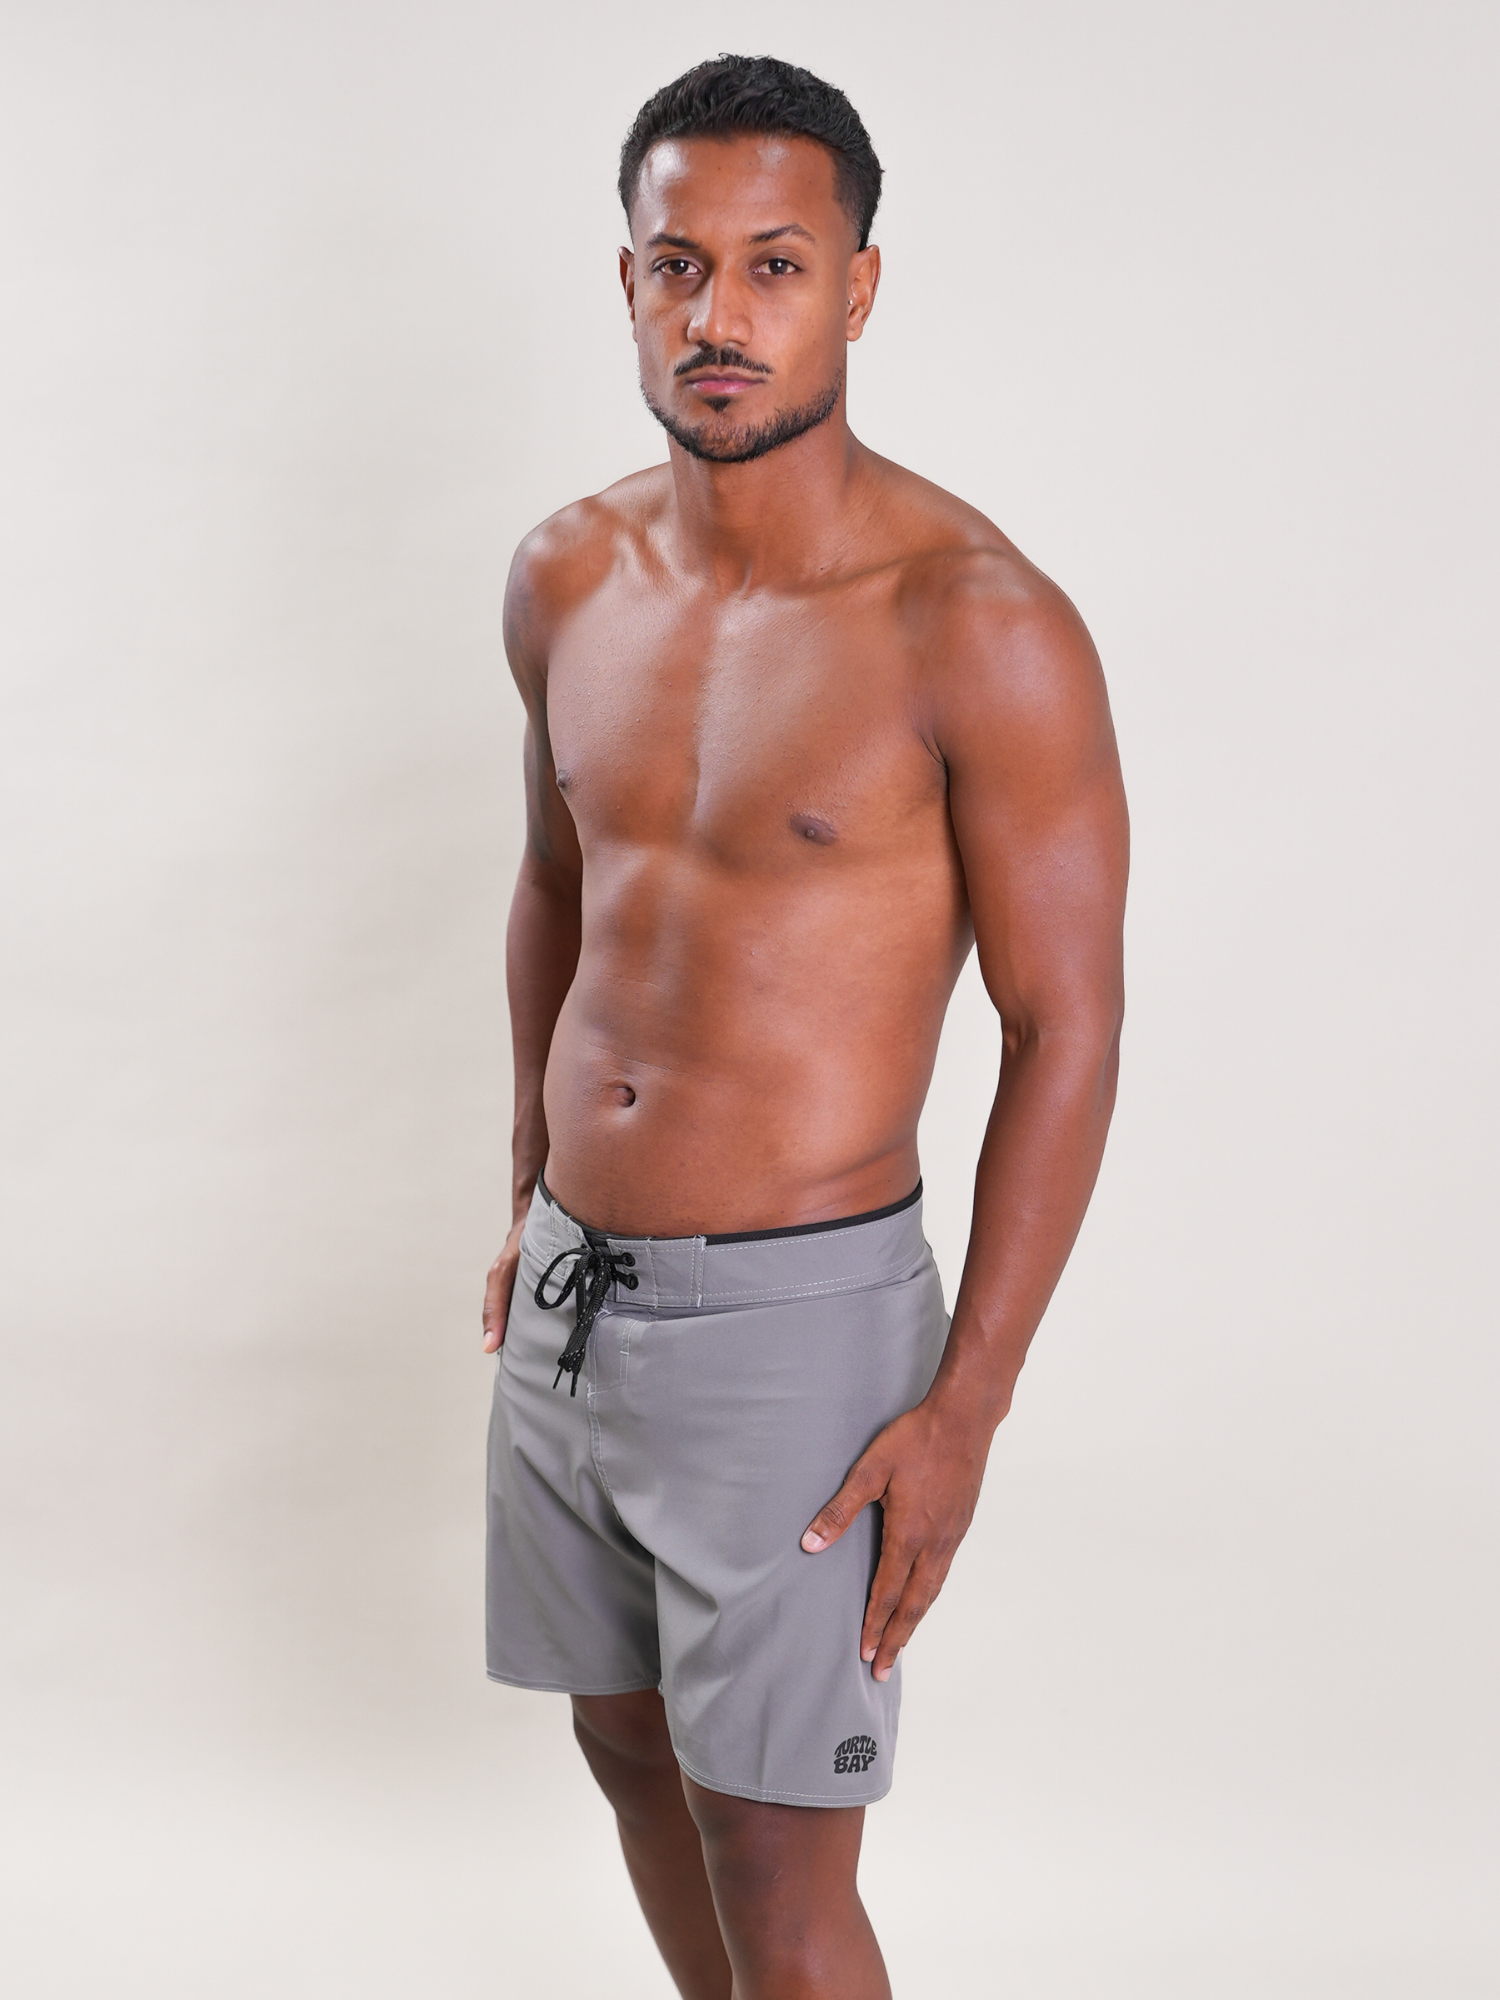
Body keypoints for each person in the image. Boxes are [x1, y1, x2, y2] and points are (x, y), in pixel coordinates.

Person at [480, 53, 1128, 2000]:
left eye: (774, 265)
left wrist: (968, 1404)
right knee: (622, 1741)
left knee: (775, 1850)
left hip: (798, 1324)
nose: (720, 315)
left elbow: (1066, 1023)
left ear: (858, 286)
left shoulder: (978, 620)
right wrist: (526, 1192)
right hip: (576, 1286)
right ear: (627, 283)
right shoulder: (566, 573)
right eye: (679, 266)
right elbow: (558, 889)